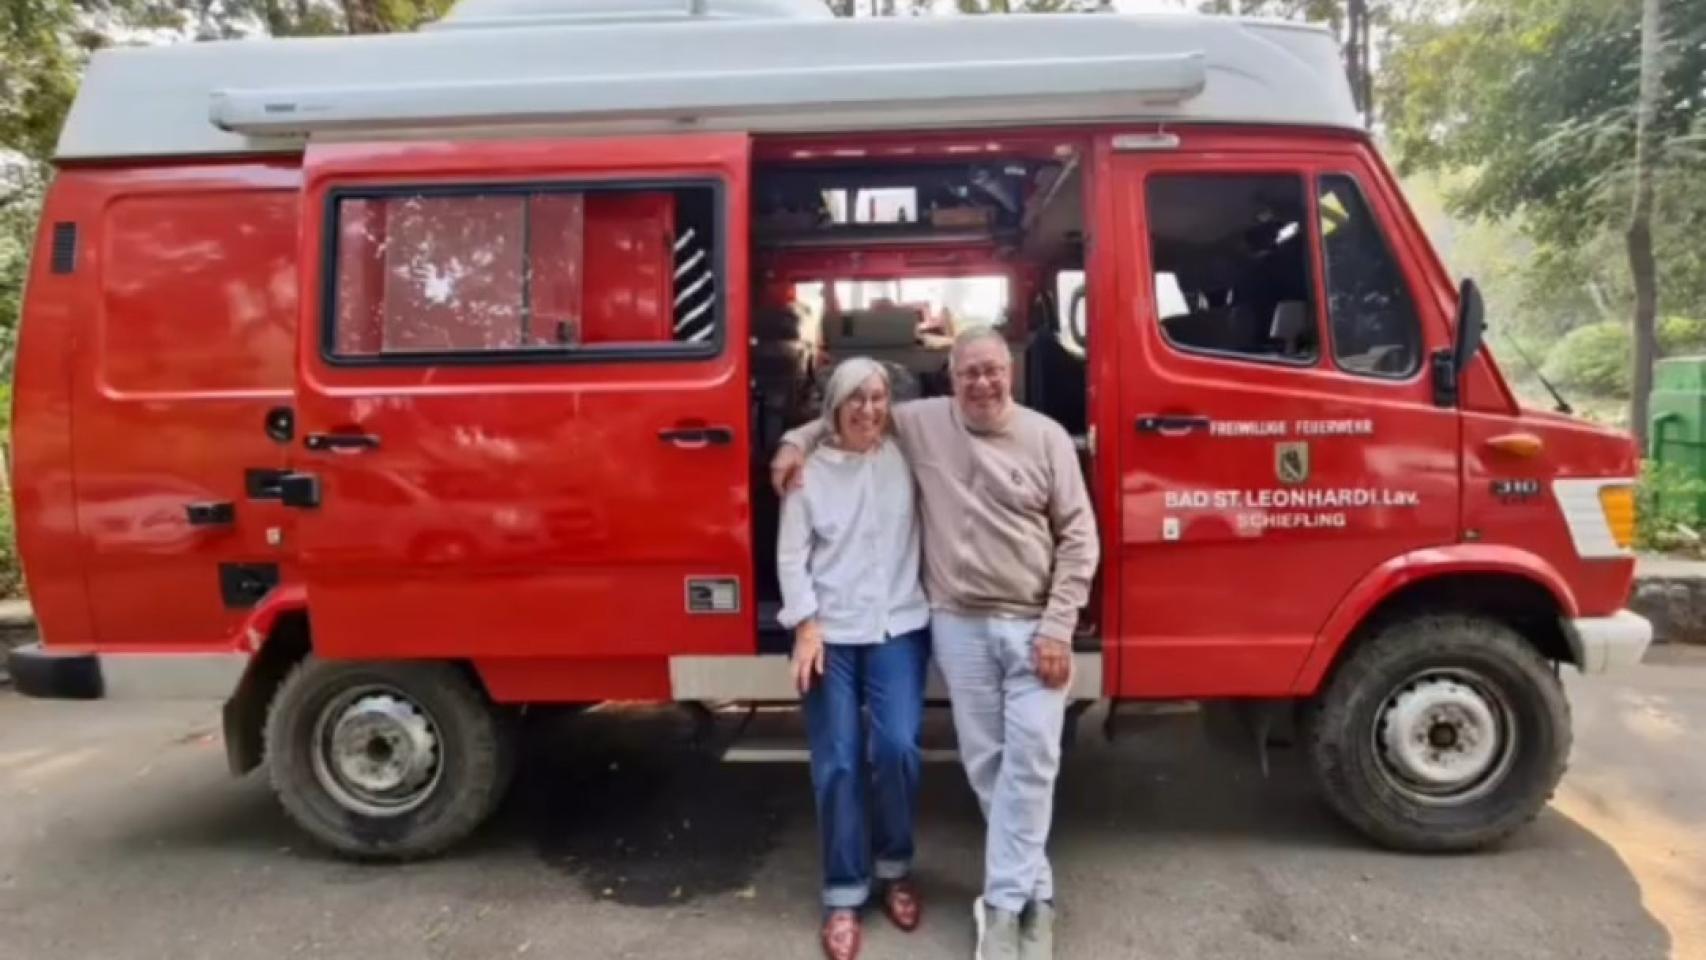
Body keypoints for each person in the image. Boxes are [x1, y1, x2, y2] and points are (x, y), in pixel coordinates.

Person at [773, 327, 1099, 960]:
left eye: (993, 370)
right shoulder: (889, 439)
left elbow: (1080, 536)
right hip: (904, 629)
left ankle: (966, 891)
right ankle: (858, 892)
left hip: (976, 625)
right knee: (897, 764)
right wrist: (793, 440)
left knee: (973, 757)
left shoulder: (1024, 439)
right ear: (948, 380)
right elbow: (839, 427)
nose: (982, 383)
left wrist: (1060, 623)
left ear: (1011, 372)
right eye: (968, 372)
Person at [776, 356, 933, 960]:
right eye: (855, 399)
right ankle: (844, 891)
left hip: (898, 623)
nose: (869, 409)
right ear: (834, 408)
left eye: (878, 397)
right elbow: (793, 557)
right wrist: (806, 624)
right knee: (838, 760)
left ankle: (894, 867)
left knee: (896, 747)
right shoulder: (808, 474)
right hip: (831, 632)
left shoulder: (907, 456)